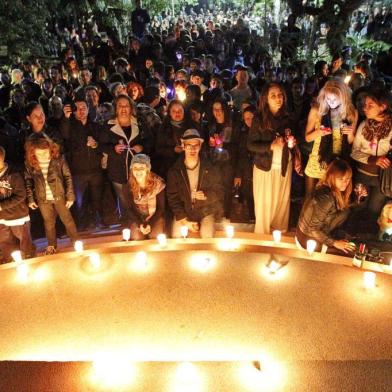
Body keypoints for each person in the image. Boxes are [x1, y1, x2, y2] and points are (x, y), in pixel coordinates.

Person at [247, 82, 297, 234]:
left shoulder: (288, 118)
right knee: (265, 205)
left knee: (280, 204)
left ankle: (278, 234)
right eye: (273, 96)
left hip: (283, 167)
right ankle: (262, 237)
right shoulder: (259, 118)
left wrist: (293, 143)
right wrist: (270, 146)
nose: (278, 98)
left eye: (280, 95)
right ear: (266, 99)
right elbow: (250, 145)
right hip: (265, 167)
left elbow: (293, 138)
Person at [99, 94, 151, 221]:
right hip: (117, 170)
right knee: (124, 201)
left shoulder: (139, 123)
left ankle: (142, 223)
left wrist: (142, 147)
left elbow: (150, 140)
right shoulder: (108, 125)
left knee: (138, 199)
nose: (123, 109)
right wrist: (113, 149)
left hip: (137, 170)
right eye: (120, 106)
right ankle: (128, 225)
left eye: (126, 106)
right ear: (115, 109)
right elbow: (101, 146)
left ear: (131, 108)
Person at [304, 79, 358, 197]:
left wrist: (349, 133)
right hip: (318, 160)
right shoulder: (317, 110)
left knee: (332, 200)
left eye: (334, 99)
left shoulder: (351, 113)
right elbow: (307, 138)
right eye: (328, 99)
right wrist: (319, 132)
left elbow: (350, 142)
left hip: (337, 163)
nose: (331, 102)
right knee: (310, 199)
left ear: (343, 97)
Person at [24, 137, 78, 255]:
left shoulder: (58, 159)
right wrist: (31, 198)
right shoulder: (31, 164)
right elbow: (28, 181)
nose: (43, 155)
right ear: (33, 153)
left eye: (45, 152)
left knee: (67, 220)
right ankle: (51, 245)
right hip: (43, 198)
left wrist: (70, 195)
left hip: (59, 195)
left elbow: (68, 177)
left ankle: (75, 241)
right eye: (39, 153)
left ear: (50, 149)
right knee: (48, 222)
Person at [167, 129, 224, 238]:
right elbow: (173, 198)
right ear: (183, 146)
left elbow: (220, 191)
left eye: (196, 145)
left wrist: (206, 196)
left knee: (207, 236)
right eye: (189, 145)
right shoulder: (175, 171)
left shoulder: (210, 168)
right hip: (184, 213)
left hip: (205, 212)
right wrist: (184, 221)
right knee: (177, 236)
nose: (192, 149)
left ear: (200, 146)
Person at [296, 159, 361, 254]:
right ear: (331, 177)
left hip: (319, 232)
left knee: (346, 212)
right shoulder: (325, 197)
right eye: (341, 179)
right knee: (352, 252)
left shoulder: (333, 190)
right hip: (308, 239)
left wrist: (358, 197)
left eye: (347, 179)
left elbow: (345, 205)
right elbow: (312, 228)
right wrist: (334, 243)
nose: (345, 183)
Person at [60, 97, 104, 229]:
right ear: (73, 112)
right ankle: (81, 225)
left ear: (88, 109)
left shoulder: (95, 126)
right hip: (78, 171)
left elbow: (104, 145)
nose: (81, 111)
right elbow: (64, 135)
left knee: (97, 199)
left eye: (83, 108)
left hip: (95, 170)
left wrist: (96, 144)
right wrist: (66, 118)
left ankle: (99, 221)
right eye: (77, 109)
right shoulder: (70, 127)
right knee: (79, 202)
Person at [351, 88, 392, 220]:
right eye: (365, 105)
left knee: (374, 210)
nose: (365, 108)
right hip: (362, 175)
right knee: (359, 205)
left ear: (382, 107)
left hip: (382, 179)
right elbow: (354, 152)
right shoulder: (363, 125)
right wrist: (372, 160)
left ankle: (368, 236)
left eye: (370, 105)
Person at [0, 146, 35, 263]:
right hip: (2, 218)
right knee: (5, 243)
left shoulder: (13, 174)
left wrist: (1, 206)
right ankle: (8, 261)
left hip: (18, 216)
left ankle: (29, 260)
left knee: (25, 243)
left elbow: (21, 196)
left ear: (2, 159)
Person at [125, 154, 165, 240]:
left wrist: (150, 224)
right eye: (135, 168)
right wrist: (140, 224)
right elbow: (129, 208)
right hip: (138, 218)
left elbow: (161, 208)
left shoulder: (158, 184)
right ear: (132, 170)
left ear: (147, 169)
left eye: (142, 168)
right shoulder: (128, 186)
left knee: (156, 237)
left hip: (155, 217)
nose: (138, 171)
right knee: (137, 238)